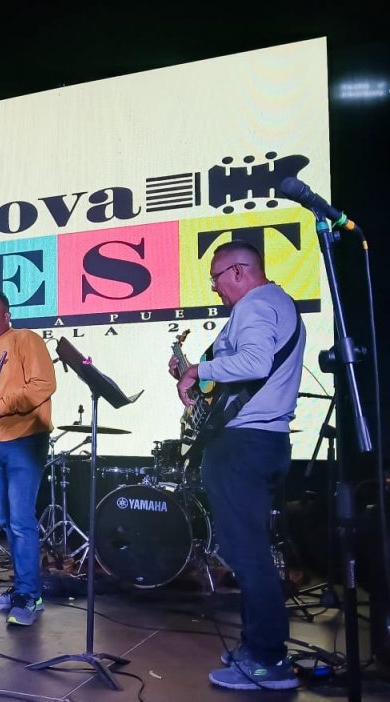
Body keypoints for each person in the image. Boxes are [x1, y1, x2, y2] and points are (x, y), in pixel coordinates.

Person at [170, 240, 304, 691]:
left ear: (239, 272)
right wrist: (194, 371)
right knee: (249, 552)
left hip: (245, 445)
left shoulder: (256, 305)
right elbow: (240, 372)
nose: (215, 289)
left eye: (216, 279)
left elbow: (255, 361)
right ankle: (256, 647)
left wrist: (199, 371)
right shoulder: (276, 303)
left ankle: (268, 661)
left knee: (248, 555)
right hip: (261, 443)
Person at [0, 289, 56, 626]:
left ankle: (30, 595)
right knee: (5, 519)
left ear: (6, 315)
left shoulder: (24, 340)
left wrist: (0, 406)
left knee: (20, 519)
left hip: (26, 439)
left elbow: (43, 384)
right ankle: (21, 588)